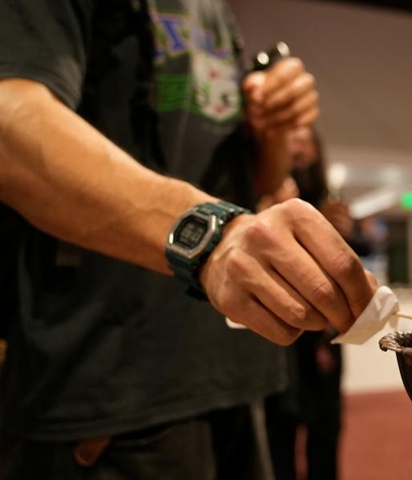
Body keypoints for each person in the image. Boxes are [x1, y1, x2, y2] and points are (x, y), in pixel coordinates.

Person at [0, 1, 375, 479]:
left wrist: (271, 129)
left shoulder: (216, 11)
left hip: (228, 370)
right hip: (108, 383)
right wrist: (209, 236)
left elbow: (252, 183)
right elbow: (9, 123)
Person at [261, 126, 368, 480]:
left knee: (325, 429)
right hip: (278, 340)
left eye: (307, 138)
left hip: (325, 336)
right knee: (280, 432)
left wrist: (345, 235)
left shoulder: (329, 203)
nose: (299, 144)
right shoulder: (265, 195)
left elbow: (343, 271)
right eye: (292, 137)